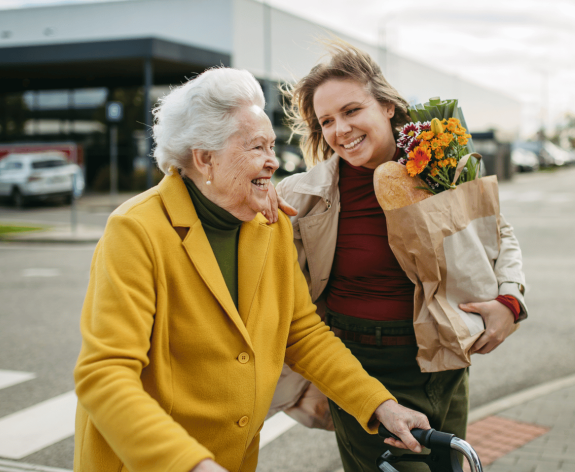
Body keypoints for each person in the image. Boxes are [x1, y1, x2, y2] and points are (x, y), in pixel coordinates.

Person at [72, 67, 431, 472]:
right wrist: (190, 465)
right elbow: (105, 375)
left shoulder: (270, 224)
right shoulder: (136, 230)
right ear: (205, 159)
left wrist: (380, 405)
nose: (273, 162)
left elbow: (303, 333)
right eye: (257, 147)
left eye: (272, 146)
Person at [270, 40, 528, 472]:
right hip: (361, 367)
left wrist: (511, 301)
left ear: (387, 106)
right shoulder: (302, 195)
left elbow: (498, 233)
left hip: (444, 361)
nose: (341, 130)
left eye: (352, 111)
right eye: (327, 121)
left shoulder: (440, 165)